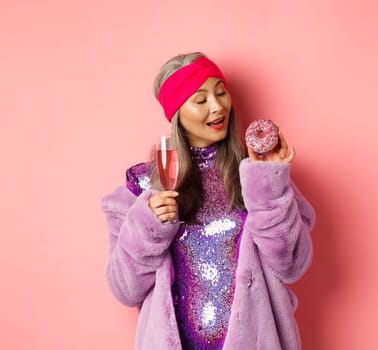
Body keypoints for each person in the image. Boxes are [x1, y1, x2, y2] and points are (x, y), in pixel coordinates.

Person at [100, 52, 315, 349]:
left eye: (220, 92)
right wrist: (149, 224)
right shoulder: (144, 187)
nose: (217, 107)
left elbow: (291, 264)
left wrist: (270, 184)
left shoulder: (255, 173)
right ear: (177, 114)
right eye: (200, 100)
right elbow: (125, 289)